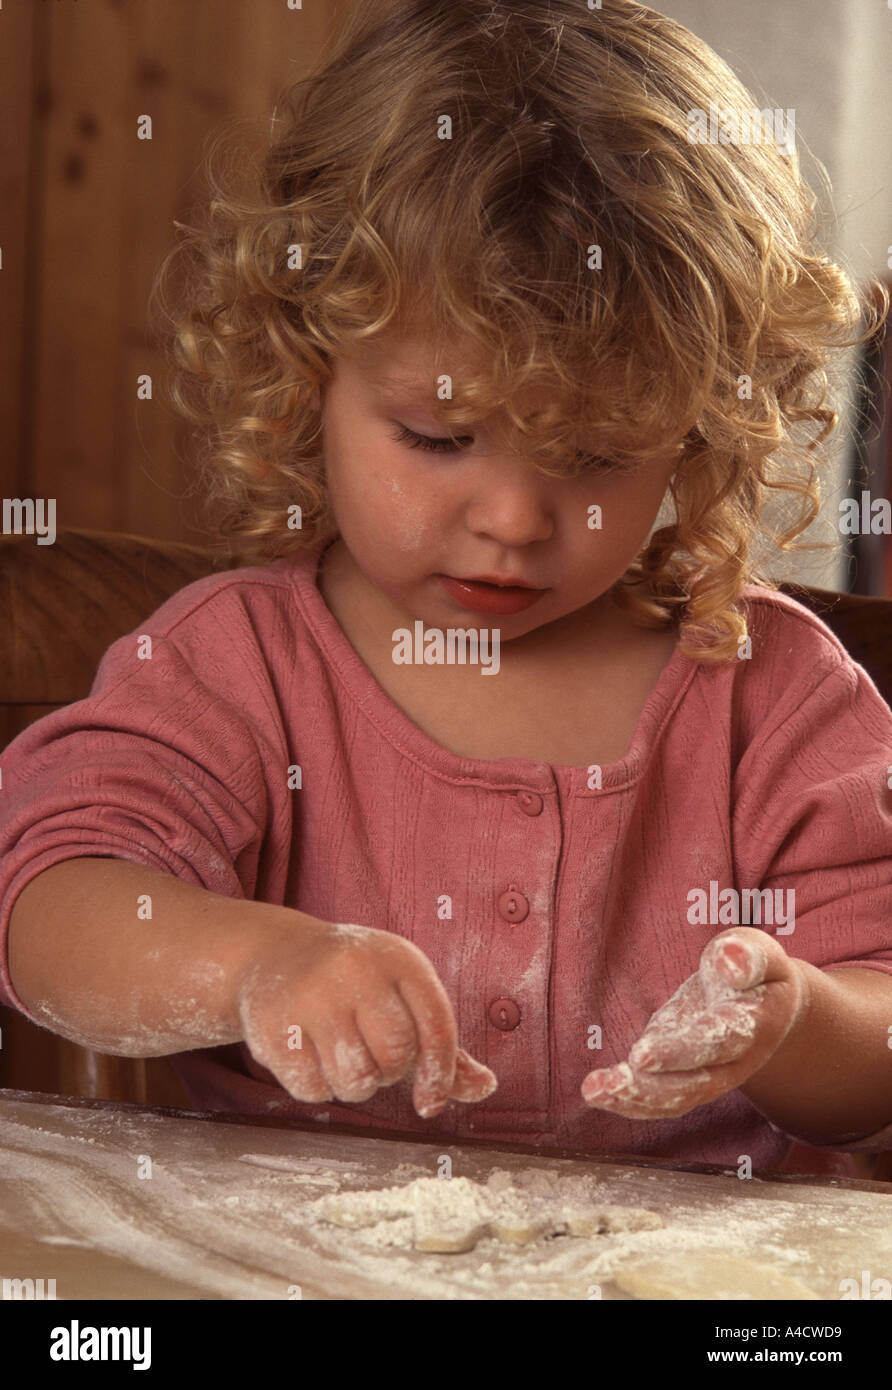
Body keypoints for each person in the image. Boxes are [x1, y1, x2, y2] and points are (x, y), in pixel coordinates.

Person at [2, 0, 891, 1179]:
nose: (513, 520)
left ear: (697, 432)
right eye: (436, 435)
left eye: (591, 455)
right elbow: (54, 904)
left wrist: (787, 1020)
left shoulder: (769, 697)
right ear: (308, 371)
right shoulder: (240, 666)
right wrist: (254, 965)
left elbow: (874, 1037)